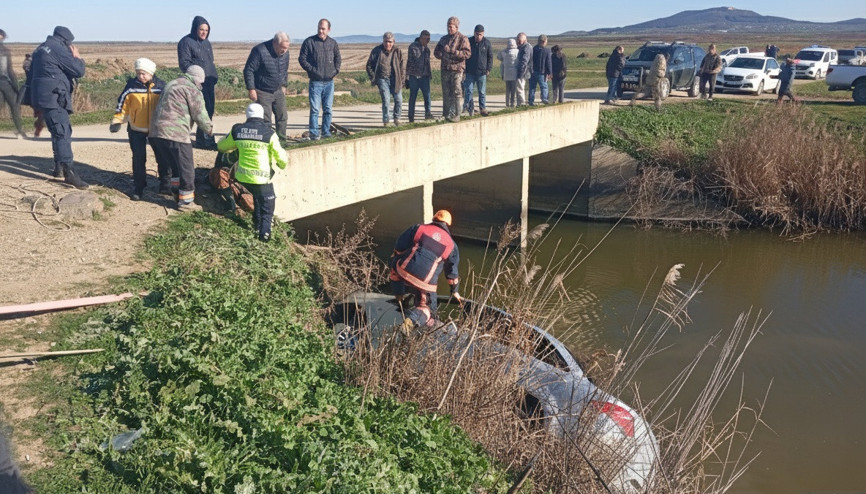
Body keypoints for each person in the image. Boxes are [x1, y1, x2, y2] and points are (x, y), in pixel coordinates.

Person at [217, 103, 288, 242]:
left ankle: (256, 223)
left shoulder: (238, 130)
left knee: (257, 196)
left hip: (242, 177)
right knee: (268, 205)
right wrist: (282, 164)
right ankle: (265, 235)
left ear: (247, 115)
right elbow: (281, 158)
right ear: (262, 115)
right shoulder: (269, 133)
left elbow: (222, 146)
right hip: (261, 178)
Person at [149, 65, 213, 211]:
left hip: (156, 132)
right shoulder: (191, 88)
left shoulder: (171, 84)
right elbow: (199, 113)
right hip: (176, 133)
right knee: (186, 167)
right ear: (198, 79)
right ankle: (186, 203)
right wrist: (209, 129)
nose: (201, 85)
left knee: (174, 165)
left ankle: (175, 191)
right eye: (201, 82)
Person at [30, 26, 88, 188]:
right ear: (66, 41)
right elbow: (78, 70)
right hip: (54, 97)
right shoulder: (57, 48)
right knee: (62, 132)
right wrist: (77, 57)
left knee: (56, 131)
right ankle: (69, 173)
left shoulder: (41, 48)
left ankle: (58, 168)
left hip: (42, 97)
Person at [389, 210, 461, 327]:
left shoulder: (418, 228)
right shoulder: (451, 245)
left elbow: (399, 246)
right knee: (426, 307)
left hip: (403, 271)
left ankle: (399, 297)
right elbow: (452, 273)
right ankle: (412, 321)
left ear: (434, 219)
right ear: (448, 224)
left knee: (394, 265)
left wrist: (399, 257)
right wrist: (454, 290)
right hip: (425, 283)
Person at [109, 58, 166, 200]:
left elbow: (168, 105)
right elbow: (122, 104)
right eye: (139, 73)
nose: (141, 76)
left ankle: (165, 184)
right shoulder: (131, 87)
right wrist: (117, 121)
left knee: (163, 156)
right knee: (139, 158)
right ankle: (139, 187)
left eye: (144, 73)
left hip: (156, 128)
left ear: (151, 73)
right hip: (135, 128)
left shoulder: (161, 87)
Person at [177, 16, 218, 150]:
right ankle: (204, 141)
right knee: (201, 111)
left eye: (206, 30)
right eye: (201, 29)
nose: (204, 32)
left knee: (210, 110)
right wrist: (196, 76)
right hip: (197, 83)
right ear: (195, 29)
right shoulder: (185, 42)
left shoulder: (207, 43)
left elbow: (209, 62)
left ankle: (206, 139)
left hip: (209, 82)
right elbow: (184, 64)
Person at [298, 19, 341, 140]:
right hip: (315, 82)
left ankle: (326, 132)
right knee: (315, 109)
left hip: (329, 82)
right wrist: (312, 70)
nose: (321, 31)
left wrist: (335, 71)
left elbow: (338, 59)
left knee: (328, 109)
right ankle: (314, 133)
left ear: (329, 30)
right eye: (319, 28)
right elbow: (302, 59)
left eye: (323, 29)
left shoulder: (333, 43)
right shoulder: (309, 42)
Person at [244, 32, 290, 141]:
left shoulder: (285, 53)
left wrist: (284, 84)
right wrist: (251, 89)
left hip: (278, 91)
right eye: (282, 48)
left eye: (287, 48)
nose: (284, 51)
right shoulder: (259, 51)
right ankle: (267, 142)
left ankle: (281, 141)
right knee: (266, 119)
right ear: (275, 43)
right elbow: (248, 70)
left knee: (282, 116)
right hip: (262, 90)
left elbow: (284, 70)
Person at [433, 16, 471, 122]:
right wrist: (441, 54)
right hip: (445, 69)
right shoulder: (443, 39)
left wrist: (453, 51)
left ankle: (457, 114)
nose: (449, 29)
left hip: (457, 70)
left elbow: (467, 54)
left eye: (451, 27)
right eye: (448, 27)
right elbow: (436, 52)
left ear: (456, 27)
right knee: (446, 92)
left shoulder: (463, 39)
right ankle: (446, 114)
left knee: (457, 92)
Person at [366, 32, 405, 127]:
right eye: (386, 41)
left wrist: (403, 80)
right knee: (386, 100)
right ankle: (386, 121)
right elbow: (369, 65)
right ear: (383, 41)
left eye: (390, 42)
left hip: (395, 79)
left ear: (394, 42)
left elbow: (402, 67)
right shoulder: (376, 51)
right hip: (382, 79)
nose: (388, 44)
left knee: (399, 99)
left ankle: (397, 118)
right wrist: (373, 77)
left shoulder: (397, 51)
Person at [0, 29, 26, 138]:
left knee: (14, 106)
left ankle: (19, 130)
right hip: (5, 83)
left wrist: (16, 86)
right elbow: (9, 70)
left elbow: (10, 70)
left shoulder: (5, 51)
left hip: (6, 83)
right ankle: (19, 131)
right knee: (13, 106)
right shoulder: (5, 51)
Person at [462, 24, 493, 116]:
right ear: (474, 33)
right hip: (470, 71)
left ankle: (482, 108)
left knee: (482, 91)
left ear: (483, 34)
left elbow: (490, 57)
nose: (478, 36)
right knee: (469, 90)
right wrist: (464, 68)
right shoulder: (469, 41)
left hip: (482, 72)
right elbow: (464, 55)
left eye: (480, 34)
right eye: (477, 34)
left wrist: (489, 69)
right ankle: (467, 107)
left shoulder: (487, 43)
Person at [406, 30, 433, 122]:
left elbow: (428, 63)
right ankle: (411, 116)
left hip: (425, 76)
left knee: (427, 96)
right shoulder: (413, 47)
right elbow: (409, 62)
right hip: (414, 76)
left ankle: (428, 113)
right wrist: (407, 77)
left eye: (429, 39)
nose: (427, 41)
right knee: (413, 96)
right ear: (421, 38)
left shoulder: (427, 50)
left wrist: (429, 74)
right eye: (426, 39)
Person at [19, 53, 44, 137]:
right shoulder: (31, 63)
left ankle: (37, 130)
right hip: (33, 89)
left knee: (42, 112)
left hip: (37, 89)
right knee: (41, 112)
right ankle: (36, 129)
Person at [529, 34, 552, 105]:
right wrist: (550, 72)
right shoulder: (547, 50)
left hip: (532, 71)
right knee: (544, 87)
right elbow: (548, 62)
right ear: (544, 41)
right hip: (542, 72)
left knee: (532, 87)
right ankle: (544, 98)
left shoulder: (533, 49)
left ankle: (531, 100)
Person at [498, 38, 519, 107]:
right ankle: (512, 103)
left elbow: (499, 57)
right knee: (513, 90)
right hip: (514, 73)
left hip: (506, 73)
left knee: (508, 90)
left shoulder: (504, 52)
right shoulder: (517, 52)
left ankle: (507, 103)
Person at [515, 33, 533, 106]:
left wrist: (521, 72)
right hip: (524, 70)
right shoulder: (521, 47)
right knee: (521, 88)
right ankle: (519, 103)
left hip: (524, 71)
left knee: (520, 88)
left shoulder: (526, 47)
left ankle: (522, 104)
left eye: (519, 40)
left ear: (524, 39)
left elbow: (525, 60)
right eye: (517, 40)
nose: (518, 42)